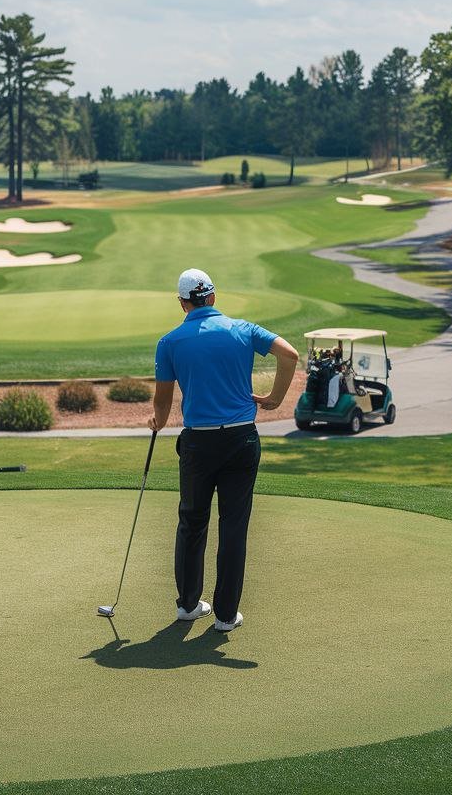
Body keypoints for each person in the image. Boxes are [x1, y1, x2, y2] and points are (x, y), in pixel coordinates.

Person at [148, 267, 299, 632]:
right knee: (233, 527)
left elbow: (163, 402)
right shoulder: (243, 330)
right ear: (213, 297)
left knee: (192, 522)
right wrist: (275, 399)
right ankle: (225, 616)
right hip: (241, 440)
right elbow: (290, 355)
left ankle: (187, 606)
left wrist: (156, 420)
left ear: (183, 303)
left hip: (199, 443)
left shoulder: (170, 342)